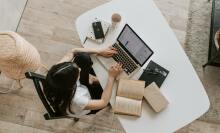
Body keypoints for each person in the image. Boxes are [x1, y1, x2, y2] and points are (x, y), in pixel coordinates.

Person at [43, 47, 122, 116]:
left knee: (82, 57)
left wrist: (99, 51)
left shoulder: (55, 72)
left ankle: (93, 80)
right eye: (77, 73)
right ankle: (96, 81)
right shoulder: (78, 100)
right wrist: (111, 77)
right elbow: (103, 102)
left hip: (74, 89)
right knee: (113, 91)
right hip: (89, 99)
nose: (80, 69)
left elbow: (73, 51)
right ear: (72, 83)